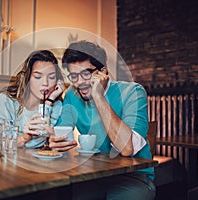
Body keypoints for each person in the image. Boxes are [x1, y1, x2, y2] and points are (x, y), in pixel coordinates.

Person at [49, 40, 155, 199]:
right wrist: (55, 141)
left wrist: (98, 96)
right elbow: (61, 133)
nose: (79, 83)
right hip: (93, 175)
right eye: (73, 76)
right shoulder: (72, 94)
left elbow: (127, 149)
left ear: (102, 72)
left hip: (133, 177)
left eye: (86, 74)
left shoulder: (133, 92)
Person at [0, 50, 65, 148]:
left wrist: (49, 101)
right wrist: (23, 138)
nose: (45, 83)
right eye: (38, 77)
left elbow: (50, 140)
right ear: (28, 78)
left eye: (51, 77)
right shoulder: (6, 101)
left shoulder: (56, 104)